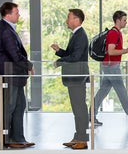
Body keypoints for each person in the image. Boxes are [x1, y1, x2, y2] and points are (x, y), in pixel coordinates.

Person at [90, 10, 128, 126]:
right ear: (118, 20)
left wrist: (127, 50)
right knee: (121, 91)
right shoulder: (114, 33)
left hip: (109, 66)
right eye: (124, 20)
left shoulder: (116, 33)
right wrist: (127, 50)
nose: (126, 22)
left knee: (103, 91)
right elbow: (111, 51)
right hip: (111, 66)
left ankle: (90, 115)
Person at [0, 2, 35, 148]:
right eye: (16, 12)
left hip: (14, 76)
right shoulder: (5, 30)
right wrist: (29, 65)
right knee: (8, 107)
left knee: (20, 105)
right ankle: (6, 139)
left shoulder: (8, 28)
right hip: (8, 75)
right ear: (7, 14)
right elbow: (15, 55)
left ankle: (18, 138)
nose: (19, 14)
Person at [51, 9, 90, 149]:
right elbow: (70, 53)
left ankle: (83, 139)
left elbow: (76, 57)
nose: (67, 20)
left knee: (80, 108)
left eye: (69, 17)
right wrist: (59, 51)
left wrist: (59, 62)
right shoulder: (76, 35)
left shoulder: (80, 35)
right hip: (74, 77)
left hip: (77, 77)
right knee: (76, 108)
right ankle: (78, 136)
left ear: (76, 19)